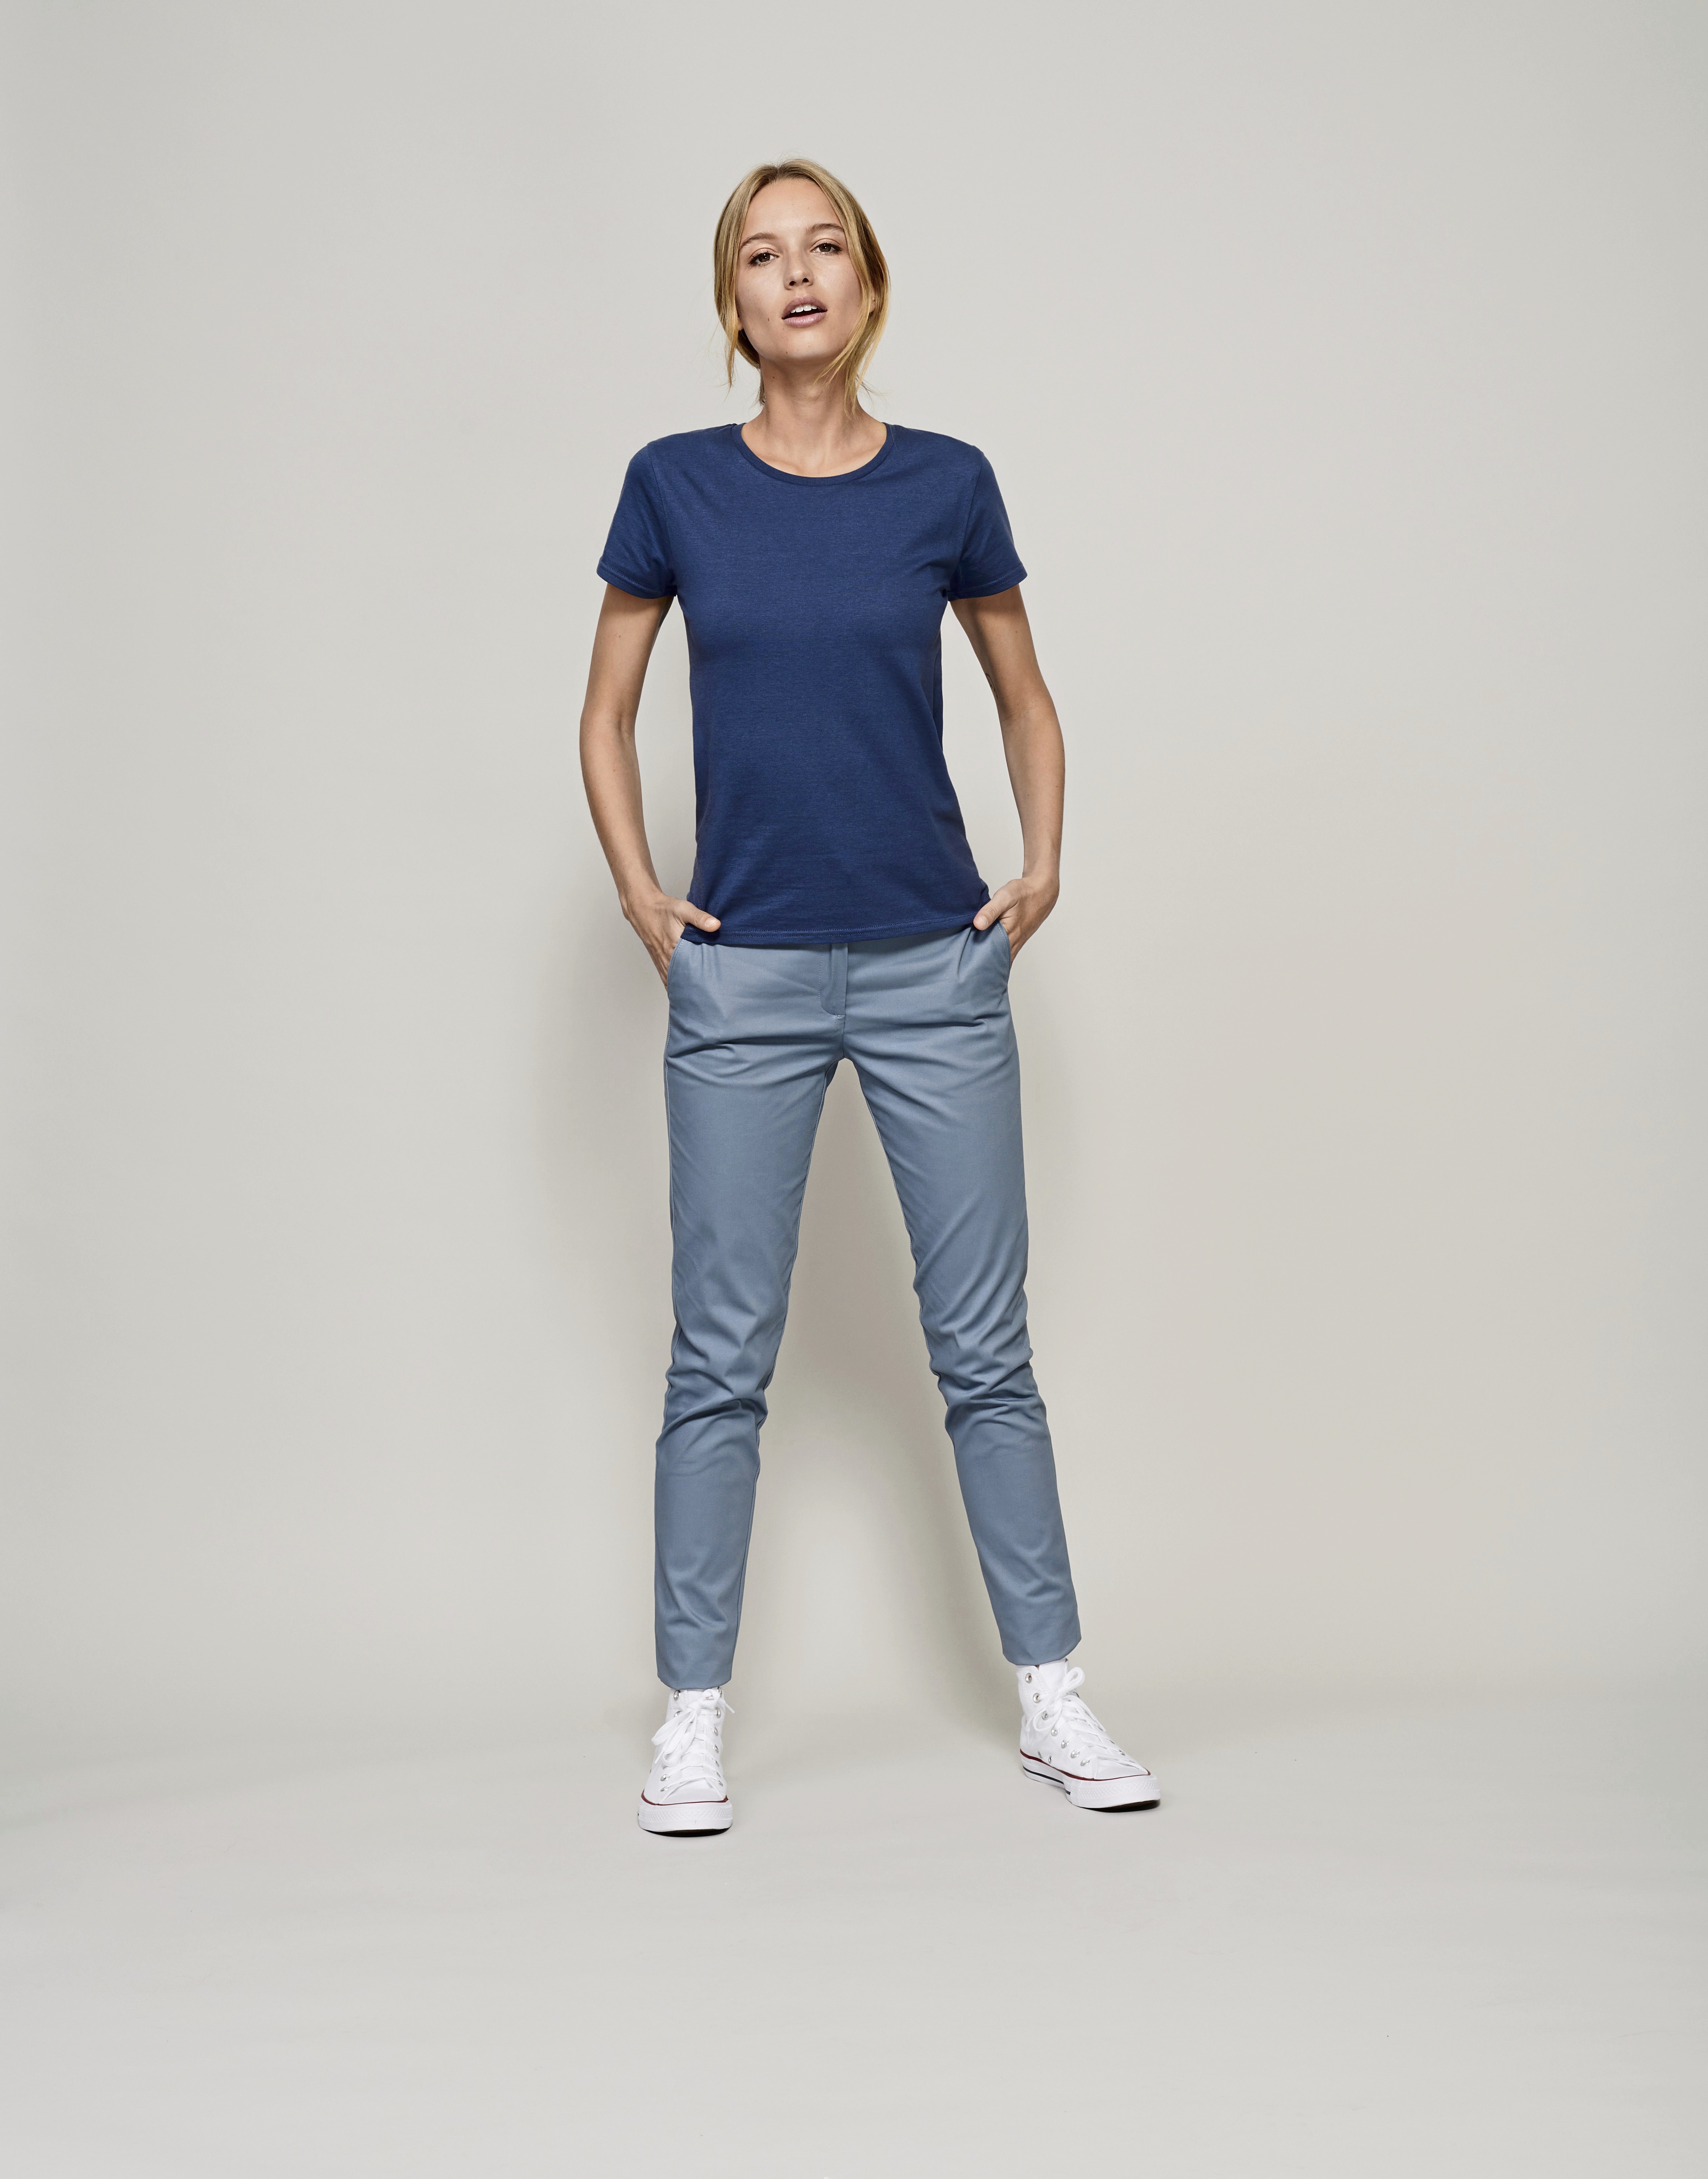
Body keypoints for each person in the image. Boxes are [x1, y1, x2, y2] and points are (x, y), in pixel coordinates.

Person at [578, 158, 1156, 1833]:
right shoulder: (674, 485)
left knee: (984, 1350)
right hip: (741, 974)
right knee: (719, 1357)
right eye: (763, 255)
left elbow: (1026, 696)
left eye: (824, 245)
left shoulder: (946, 483)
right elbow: (604, 711)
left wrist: (1041, 865)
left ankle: (1052, 1697)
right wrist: (642, 895)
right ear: (733, 303)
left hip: (930, 968)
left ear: (868, 282)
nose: (798, 274)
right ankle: (691, 1717)